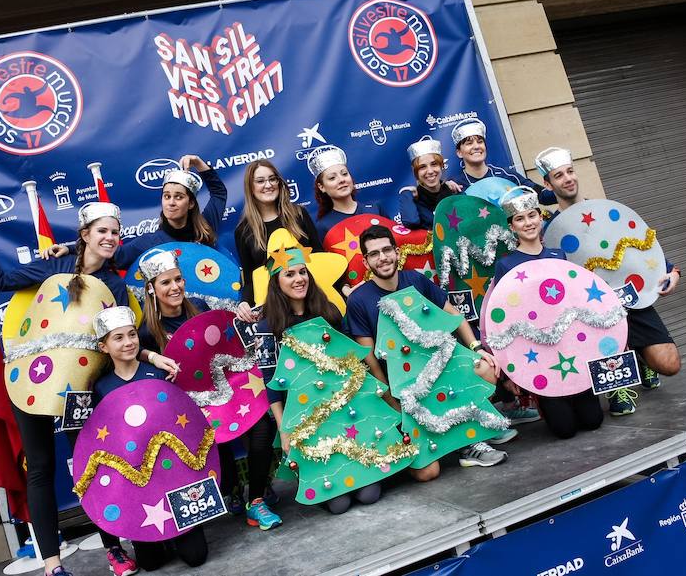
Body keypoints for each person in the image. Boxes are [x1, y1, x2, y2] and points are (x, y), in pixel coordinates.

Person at [0, 201, 127, 576]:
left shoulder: (114, 285)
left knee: (91, 464)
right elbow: (0, 282)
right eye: (102, 231)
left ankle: (114, 549)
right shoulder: (54, 265)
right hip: (31, 379)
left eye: (115, 232)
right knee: (40, 468)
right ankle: (52, 565)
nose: (109, 238)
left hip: (80, 390)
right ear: (85, 234)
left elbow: (116, 342)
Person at [345, 225, 507, 477]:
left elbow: (453, 314)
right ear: (366, 262)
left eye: (387, 250)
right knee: (427, 473)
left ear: (397, 252)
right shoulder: (359, 300)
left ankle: (473, 438)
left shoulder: (415, 280)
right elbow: (369, 360)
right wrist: (389, 398)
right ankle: (442, 443)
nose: (382, 258)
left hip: (440, 367)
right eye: (374, 254)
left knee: (486, 368)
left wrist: (476, 348)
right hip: (403, 385)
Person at [137, 250, 281, 530]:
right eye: (165, 283)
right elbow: (132, 356)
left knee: (262, 425)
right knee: (217, 442)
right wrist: (150, 357)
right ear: (151, 289)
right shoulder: (146, 332)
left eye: (178, 279)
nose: (175, 287)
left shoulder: (200, 306)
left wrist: (241, 314)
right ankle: (232, 490)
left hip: (229, 389)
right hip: (190, 407)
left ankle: (257, 499)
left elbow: (230, 338)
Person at [537, 147, 682, 416]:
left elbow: (639, 246)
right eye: (559, 175)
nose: (567, 179)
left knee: (670, 364)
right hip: (593, 315)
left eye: (570, 171)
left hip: (632, 301)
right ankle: (618, 388)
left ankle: (640, 356)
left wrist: (672, 272)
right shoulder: (550, 230)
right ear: (548, 183)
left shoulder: (606, 211)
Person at [88, 306, 206, 573]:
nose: (128, 342)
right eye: (118, 338)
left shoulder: (158, 372)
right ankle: (160, 541)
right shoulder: (101, 387)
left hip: (174, 477)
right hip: (138, 486)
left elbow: (183, 422)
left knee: (197, 556)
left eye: (131, 334)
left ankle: (179, 534)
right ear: (103, 347)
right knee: (151, 564)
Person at [256, 242, 364, 514]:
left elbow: (350, 360)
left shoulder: (327, 312)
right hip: (302, 417)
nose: (298, 279)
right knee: (339, 504)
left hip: (339, 410)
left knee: (369, 493)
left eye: (302, 272)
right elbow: (270, 382)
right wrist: (284, 429)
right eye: (289, 274)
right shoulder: (267, 326)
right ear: (276, 282)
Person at [491, 189, 603, 439]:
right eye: (520, 219)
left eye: (532, 215)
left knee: (593, 421)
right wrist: (512, 370)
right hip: (537, 355)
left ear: (540, 217)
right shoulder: (505, 265)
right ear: (512, 227)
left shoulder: (558, 255)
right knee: (565, 430)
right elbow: (503, 319)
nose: (528, 223)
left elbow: (574, 299)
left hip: (570, 346)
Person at [45, 154, 227, 265]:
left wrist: (198, 163)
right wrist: (69, 249)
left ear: (191, 203)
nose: (171, 202)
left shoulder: (206, 225)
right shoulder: (150, 242)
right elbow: (115, 254)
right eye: (166, 196)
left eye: (179, 197)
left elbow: (219, 193)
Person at [234, 159, 322, 321]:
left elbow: (320, 257)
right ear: (250, 187)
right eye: (260, 181)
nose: (268, 185)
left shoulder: (299, 215)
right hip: (278, 313)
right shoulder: (244, 231)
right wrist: (245, 303)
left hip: (314, 304)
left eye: (272, 179)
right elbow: (250, 278)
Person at [447, 118, 555, 205]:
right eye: (469, 143)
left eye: (480, 142)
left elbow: (541, 196)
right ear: (459, 153)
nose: (476, 146)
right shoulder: (455, 185)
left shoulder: (507, 175)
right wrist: (443, 189)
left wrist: (564, 185)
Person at [308, 144, 392, 241]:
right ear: (321, 187)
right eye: (332, 178)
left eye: (344, 174)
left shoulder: (376, 210)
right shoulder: (323, 227)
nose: (341, 180)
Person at [398, 137, 463, 229]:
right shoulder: (415, 201)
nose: (430, 171)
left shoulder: (454, 192)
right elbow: (411, 222)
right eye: (422, 167)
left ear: (441, 166)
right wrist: (406, 193)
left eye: (434, 164)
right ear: (416, 172)